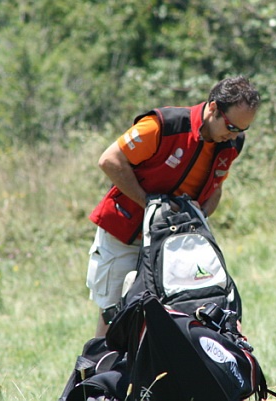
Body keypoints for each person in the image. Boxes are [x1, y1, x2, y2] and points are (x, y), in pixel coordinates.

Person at [86, 76, 260, 337]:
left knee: (176, 312)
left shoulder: (232, 142)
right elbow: (110, 160)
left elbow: (216, 188)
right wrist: (151, 205)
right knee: (114, 315)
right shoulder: (164, 125)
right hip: (127, 233)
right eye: (231, 126)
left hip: (177, 243)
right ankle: (102, 362)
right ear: (213, 108)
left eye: (242, 129)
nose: (234, 135)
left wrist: (198, 215)